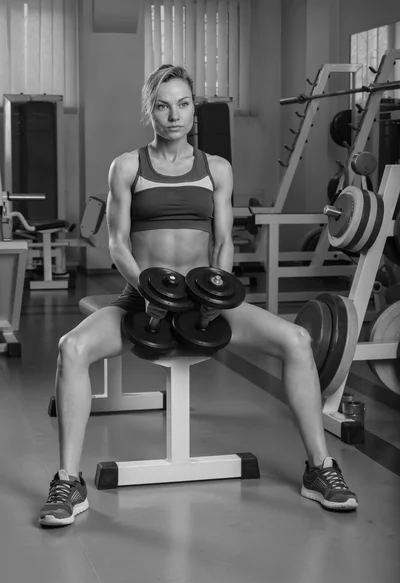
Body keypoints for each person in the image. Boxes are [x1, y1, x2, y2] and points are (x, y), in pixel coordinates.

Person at [39, 64, 358, 527]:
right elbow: (116, 243)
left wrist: (217, 293)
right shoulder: (128, 166)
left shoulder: (217, 169)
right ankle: (69, 481)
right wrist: (145, 291)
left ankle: (320, 469)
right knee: (71, 349)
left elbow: (225, 241)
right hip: (141, 302)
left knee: (297, 341)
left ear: (194, 109)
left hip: (205, 302)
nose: (174, 115)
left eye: (183, 104)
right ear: (151, 109)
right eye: (164, 105)